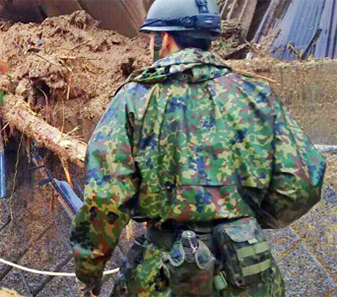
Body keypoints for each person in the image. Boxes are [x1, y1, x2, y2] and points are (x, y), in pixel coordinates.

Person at [69, 0, 326, 296]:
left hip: (163, 275)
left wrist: (88, 274)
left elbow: (104, 199)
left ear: (164, 38)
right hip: (247, 274)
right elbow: (302, 182)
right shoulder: (256, 95)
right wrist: (245, 221)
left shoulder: (135, 99)